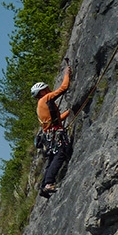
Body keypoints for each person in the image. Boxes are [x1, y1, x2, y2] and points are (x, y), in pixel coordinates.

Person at [31, 62, 72, 198]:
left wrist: (69, 112)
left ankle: (44, 186)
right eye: (46, 89)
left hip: (50, 135)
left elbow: (56, 119)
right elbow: (64, 88)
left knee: (53, 158)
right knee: (60, 154)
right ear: (42, 92)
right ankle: (49, 183)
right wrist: (67, 74)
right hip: (55, 134)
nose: (49, 90)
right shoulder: (46, 98)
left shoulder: (41, 105)